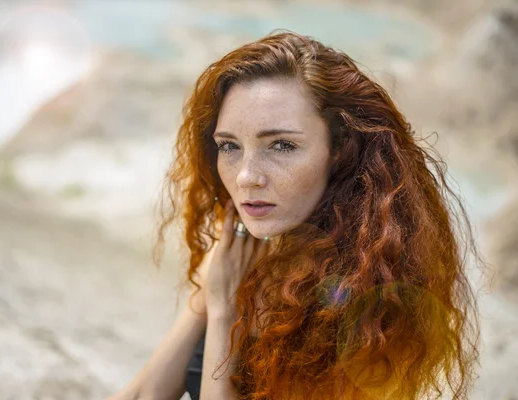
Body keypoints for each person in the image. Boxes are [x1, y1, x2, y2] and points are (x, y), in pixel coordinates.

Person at [107, 31, 483, 400]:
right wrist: (221, 289)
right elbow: (144, 393)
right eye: (229, 146)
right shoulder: (237, 256)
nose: (246, 176)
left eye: (282, 145)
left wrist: (223, 312)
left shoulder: (377, 301)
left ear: (339, 149)